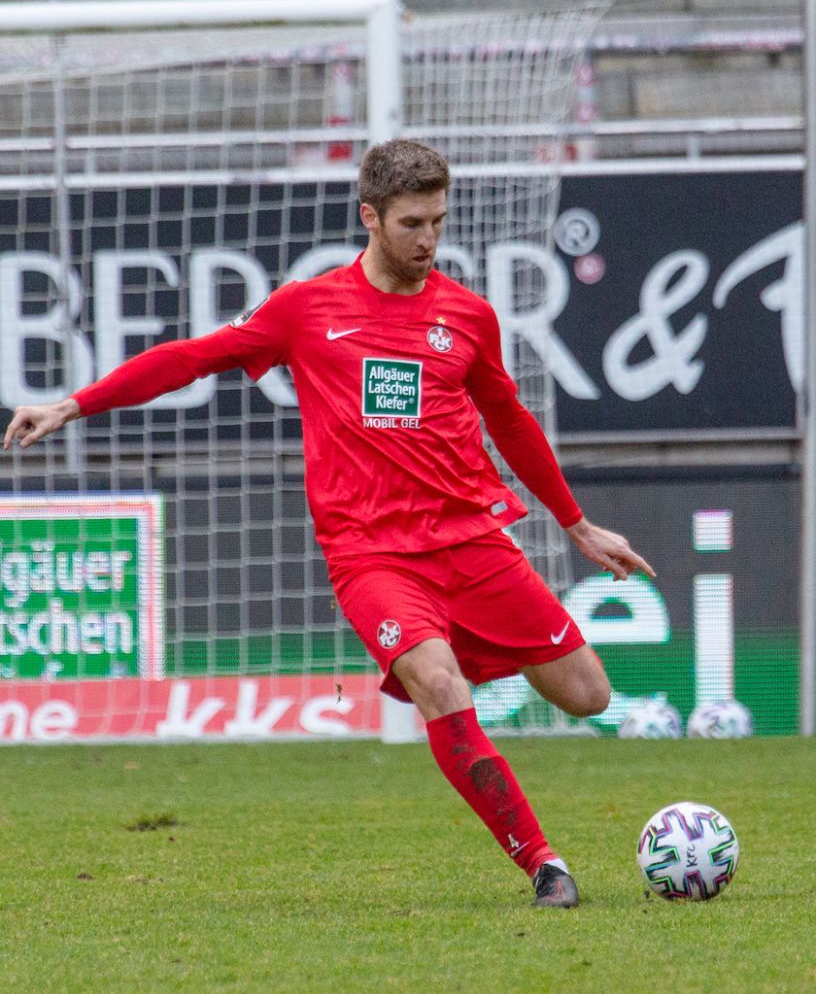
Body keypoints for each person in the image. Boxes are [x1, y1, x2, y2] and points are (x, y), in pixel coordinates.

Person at [4, 139, 654, 909]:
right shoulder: (307, 309)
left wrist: (576, 525)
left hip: (472, 538)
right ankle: (545, 865)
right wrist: (74, 404)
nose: (429, 240)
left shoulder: (468, 317)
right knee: (439, 684)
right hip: (372, 555)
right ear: (370, 217)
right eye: (412, 224)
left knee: (588, 694)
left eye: (438, 222)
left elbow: (510, 420)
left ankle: (473, 656)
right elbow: (192, 357)